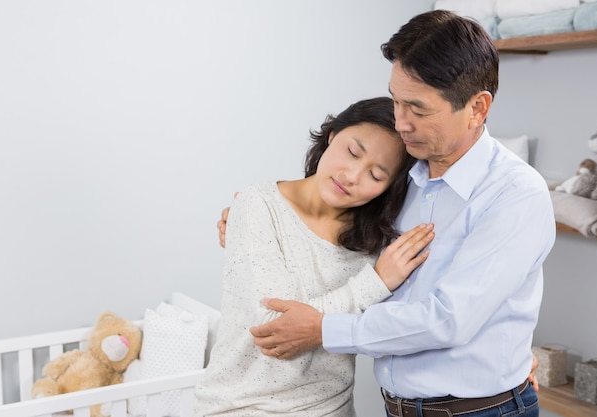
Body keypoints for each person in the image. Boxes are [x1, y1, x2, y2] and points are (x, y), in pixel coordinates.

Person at [218, 10, 554, 417]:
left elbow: (448, 320)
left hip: (480, 410)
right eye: (396, 100)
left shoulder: (515, 193)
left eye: (417, 109)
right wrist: (256, 217)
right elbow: (331, 232)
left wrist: (322, 329)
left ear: (477, 108)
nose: (401, 122)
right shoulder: (400, 178)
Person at [196, 97, 435, 416]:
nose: (352, 176)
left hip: (330, 409)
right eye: (352, 152)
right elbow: (273, 330)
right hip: (240, 408)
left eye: (375, 176)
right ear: (333, 135)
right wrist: (375, 283)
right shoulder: (258, 206)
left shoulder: (380, 240)